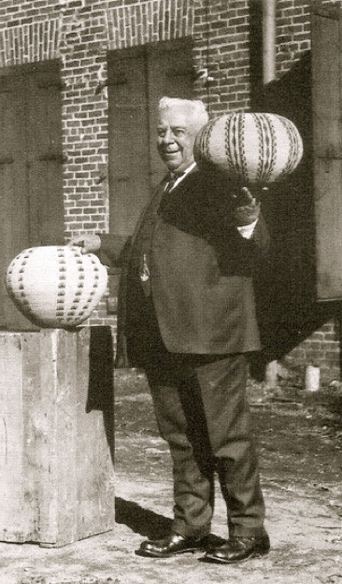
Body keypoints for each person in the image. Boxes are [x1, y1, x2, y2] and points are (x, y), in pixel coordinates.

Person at [69, 96, 271, 564]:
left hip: (212, 334)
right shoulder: (172, 183)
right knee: (182, 437)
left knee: (226, 438)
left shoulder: (225, 182)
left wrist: (248, 219)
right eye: (162, 132)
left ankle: (248, 531)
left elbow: (258, 249)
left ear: (202, 135)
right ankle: (191, 525)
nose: (166, 140)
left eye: (177, 132)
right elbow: (156, 249)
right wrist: (104, 243)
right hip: (165, 334)